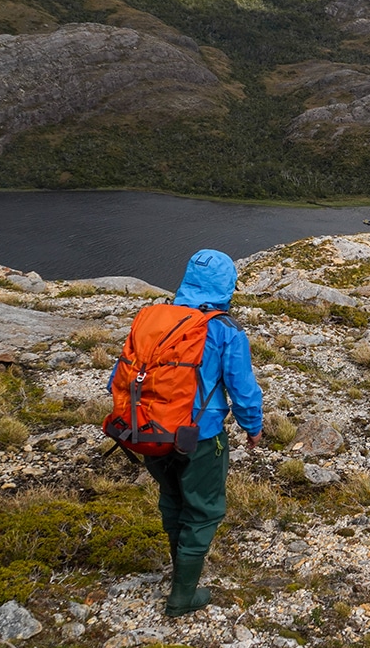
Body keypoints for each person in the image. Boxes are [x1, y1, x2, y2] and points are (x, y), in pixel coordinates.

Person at [109, 248, 263, 617]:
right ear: (227, 285)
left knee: (172, 500)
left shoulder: (153, 320)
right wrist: (253, 427)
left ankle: (179, 570)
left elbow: (119, 376)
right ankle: (183, 595)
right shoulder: (225, 329)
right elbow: (242, 389)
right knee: (204, 510)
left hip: (148, 430)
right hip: (200, 436)